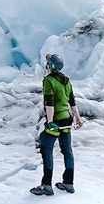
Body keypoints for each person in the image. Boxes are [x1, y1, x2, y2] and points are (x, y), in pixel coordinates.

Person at [30, 53, 83, 196]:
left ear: (50, 66)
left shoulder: (49, 81)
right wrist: (78, 119)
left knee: (46, 146)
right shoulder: (66, 80)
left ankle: (46, 185)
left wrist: (50, 121)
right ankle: (68, 183)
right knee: (67, 150)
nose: (46, 64)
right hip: (67, 119)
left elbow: (49, 103)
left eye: (48, 62)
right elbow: (72, 102)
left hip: (57, 121)